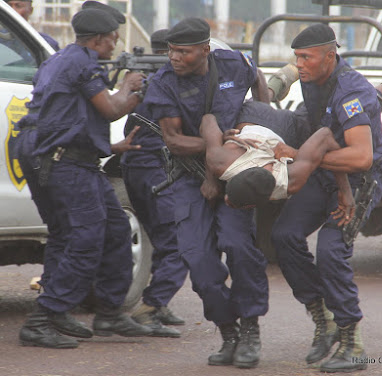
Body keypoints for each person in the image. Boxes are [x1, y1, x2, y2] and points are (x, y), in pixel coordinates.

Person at [267, 24, 382, 373]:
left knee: (330, 249)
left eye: (306, 57)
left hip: (362, 178)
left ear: (330, 56)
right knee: (284, 235)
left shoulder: (350, 88)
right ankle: (323, 320)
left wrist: (300, 157)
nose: (300, 65)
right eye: (296, 58)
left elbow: (360, 157)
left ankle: (351, 341)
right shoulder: (314, 81)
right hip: (328, 173)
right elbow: (328, 136)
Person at [18, 7, 153, 349]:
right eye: (112, 38)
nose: (115, 43)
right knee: (86, 236)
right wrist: (130, 87)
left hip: (59, 156)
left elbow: (63, 114)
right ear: (97, 40)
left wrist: (108, 145)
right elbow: (110, 109)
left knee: (107, 228)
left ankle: (108, 311)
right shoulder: (81, 62)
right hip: (64, 161)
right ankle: (44, 317)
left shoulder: (60, 58)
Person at [142, 17, 269, 369]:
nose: (175, 58)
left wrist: (260, 120)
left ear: (205, 49)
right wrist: (222, 144)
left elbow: (259, 82)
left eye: (183, 52)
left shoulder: (233, 62)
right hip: (189, 177)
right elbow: (175, 140)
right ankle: (228, 331)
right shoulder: (164, 82)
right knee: (198, 260)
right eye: (171, 51)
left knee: (239, 246)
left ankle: (250, 329)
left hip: (236, 174)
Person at [120, 29, 186, 338]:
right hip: (155, 169)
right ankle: (150, 307)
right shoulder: (173, 82)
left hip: (137, 167)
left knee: (163, 238)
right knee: (179, 240)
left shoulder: (148, 81)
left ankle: (158, 303)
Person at [199, 103, 354, 224]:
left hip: (272, 123)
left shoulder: (291, 181)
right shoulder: (219, 161)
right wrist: (222, 136)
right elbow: (207, 119)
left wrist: (345, 192)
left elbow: (325, 136)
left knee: (323, 109)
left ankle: (282, 79)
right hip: (256, 117)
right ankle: (281, 80)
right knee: (315, 113)